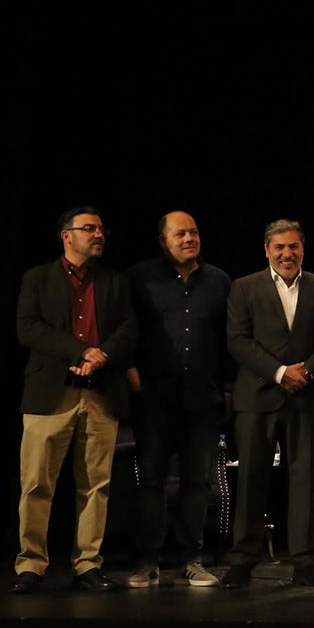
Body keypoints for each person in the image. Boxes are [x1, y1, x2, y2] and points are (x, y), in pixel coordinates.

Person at [12, 206, 138, 594]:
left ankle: (88, 564)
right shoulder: (38, 278)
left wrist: (101, 355)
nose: (98, 234)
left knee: (96, 486)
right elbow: (28, 328)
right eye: (89, 229)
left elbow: (129, 329)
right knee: (37, 483)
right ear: (67, 236)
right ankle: (31, 565)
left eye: (101, 229)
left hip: (100, 393)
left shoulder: (115, 281)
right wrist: (80, 351)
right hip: (51, 394)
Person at [222, 220, 314, 589]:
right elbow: (237, 341)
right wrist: (278, 372)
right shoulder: (244, 287)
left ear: (303, 249)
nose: (287, 254)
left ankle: (305, 562)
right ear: (266, 250)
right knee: (250, 480)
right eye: (279, 248)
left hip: (307, 396)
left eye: (294, 247)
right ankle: (243, 560)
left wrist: (305, 370)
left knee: (304, 481)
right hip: (257, 398)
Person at [126, 211, 232, 588]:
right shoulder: (141, 277)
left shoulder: (219, 280)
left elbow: (229, 340)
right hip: (153, 396)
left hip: (202, 398)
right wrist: (133, 379)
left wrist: (227, 389)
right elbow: (126, 331)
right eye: (180, 233)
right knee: (151, 481)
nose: (189, 238)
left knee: (197, 483)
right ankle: (147, 561)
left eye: (194, 231)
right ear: (163, 240)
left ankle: (192, 558)